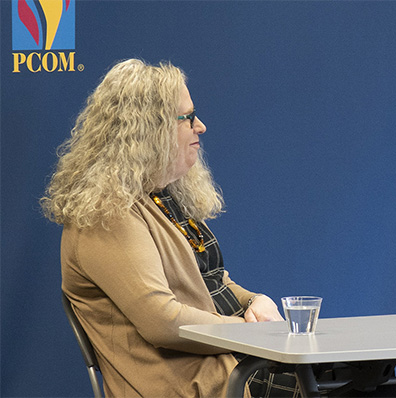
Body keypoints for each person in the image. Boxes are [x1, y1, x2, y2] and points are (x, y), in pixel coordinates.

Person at [41, 59, 302, 397]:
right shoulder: (109, 216)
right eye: (188, 117)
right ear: (150, 130)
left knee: (359, 377)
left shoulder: (161, 198)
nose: (201, 126)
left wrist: (255, 301)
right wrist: (251, 335)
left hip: (234, 365)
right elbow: (163, 322)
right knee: (346, 386)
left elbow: (213, 282)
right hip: (200, 384)